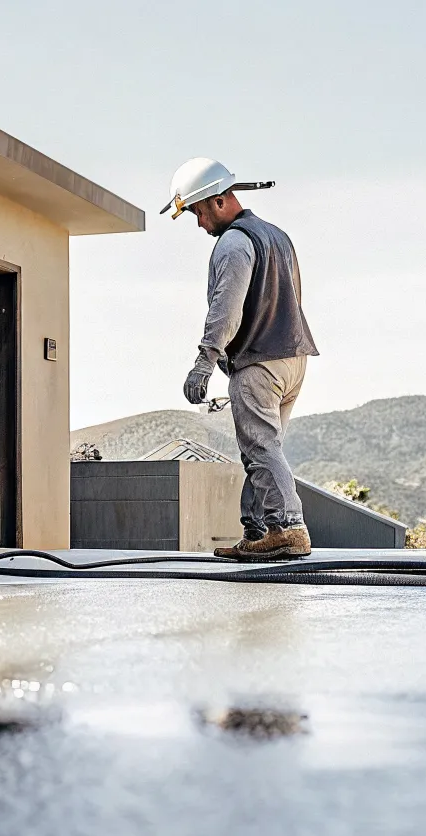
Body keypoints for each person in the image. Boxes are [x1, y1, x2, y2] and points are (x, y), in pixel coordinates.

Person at [162, 157, 320, 561]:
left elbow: (226, 308)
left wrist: (204, 361)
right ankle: (259, 531)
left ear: (218, 201)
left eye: (198, 212)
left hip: (259, 362)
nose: (199, 224)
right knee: (263, 449)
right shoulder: (277, 236)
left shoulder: (233, 243)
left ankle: (288, 528)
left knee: (261, 448)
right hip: (293, 358)